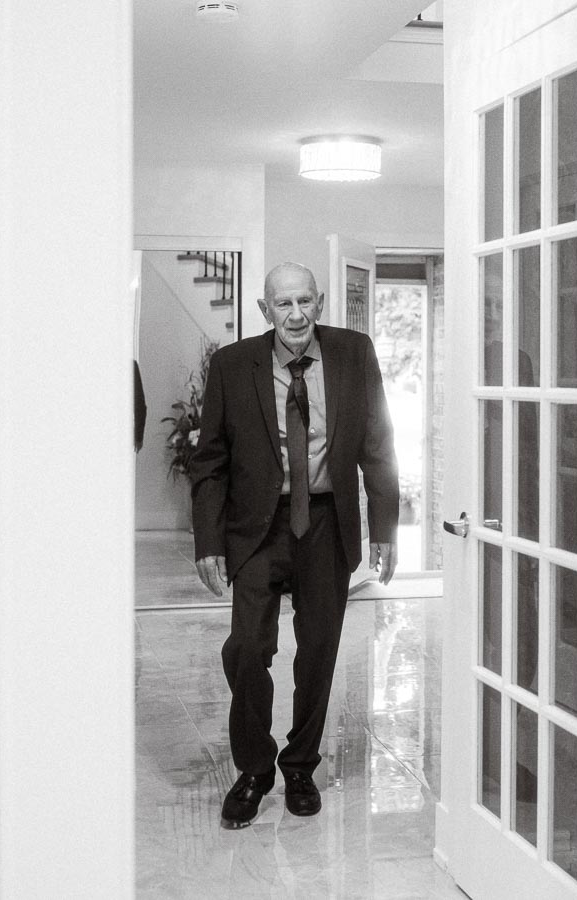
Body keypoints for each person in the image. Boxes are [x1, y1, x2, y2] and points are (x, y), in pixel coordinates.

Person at [188, 261, 399, 829]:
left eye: (305, 301)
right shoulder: (233, 366)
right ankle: (255, 770)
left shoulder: (355, 354)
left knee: (319, 650)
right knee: (250, 648)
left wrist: (384, 527)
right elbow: (209, 461)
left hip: (327, 523)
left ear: (321, 303)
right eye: (284, 304)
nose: (296, 314)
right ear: (265, 310)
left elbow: (378, 442)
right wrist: (208, 539)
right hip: (257, 527)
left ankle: (301, 765)